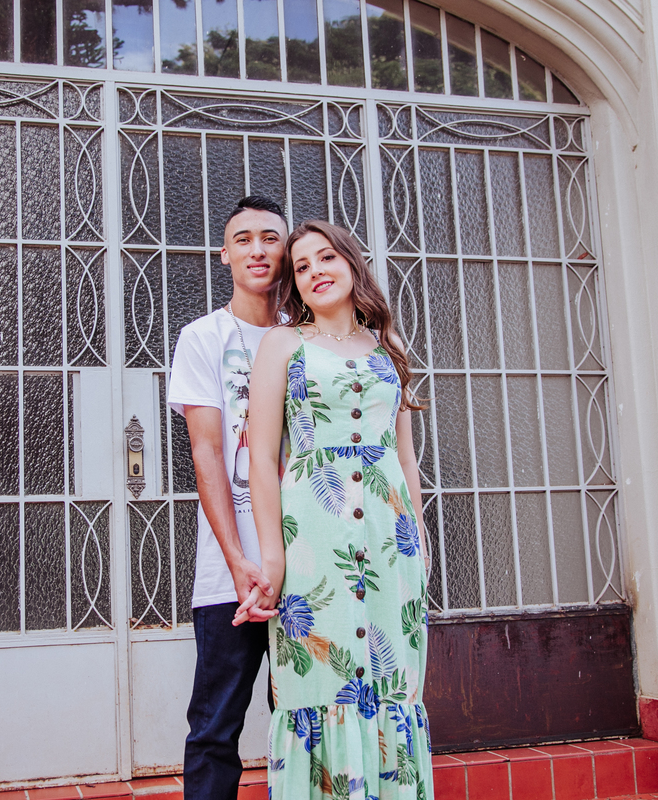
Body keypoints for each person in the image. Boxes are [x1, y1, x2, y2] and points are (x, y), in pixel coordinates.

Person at [237, 220, 434, 799]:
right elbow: (261, 459)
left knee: (393, 681)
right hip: (314, 541)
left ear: (351, 263)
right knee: (320, 681)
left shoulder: (388, 347)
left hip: (390, 541)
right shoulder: (282, 345)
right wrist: (273, 558)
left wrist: (419, 539)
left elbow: (405, 457)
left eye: (326, 258)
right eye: (301, 266)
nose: (316, 271)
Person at [168, 196, 291, 800]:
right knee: (216, 727)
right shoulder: (203, 337)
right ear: (225, 255)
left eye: (270, 238)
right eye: (243, 240)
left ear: (287, 251)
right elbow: (208, 453)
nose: (257, 250)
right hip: (230, 575)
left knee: (306, 717)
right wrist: (238, 559)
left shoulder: (306, 336)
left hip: (308, 563)